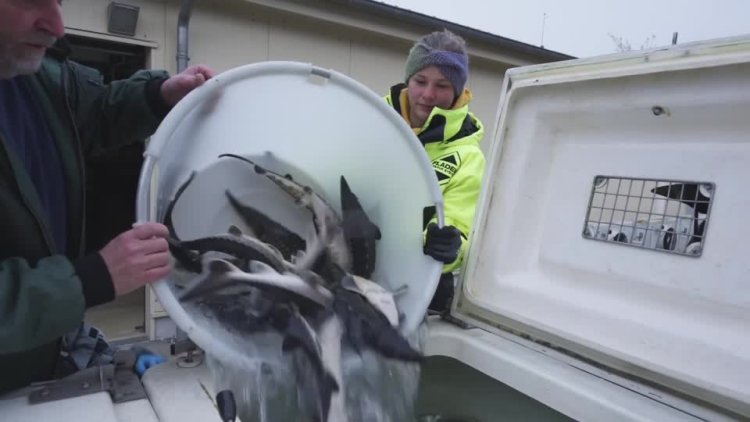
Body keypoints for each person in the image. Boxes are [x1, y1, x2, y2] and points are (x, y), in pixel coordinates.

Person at [0, 0, 214, 392]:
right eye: (30, 1)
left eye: (59, 2)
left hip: (43, 358)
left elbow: (95, 111)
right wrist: (89, 279)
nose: (58, 26)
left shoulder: (34, 78)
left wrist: (158, 95)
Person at [385, 29, 485, 314]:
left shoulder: (468, 156)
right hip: (351, 265)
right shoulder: (375, 124)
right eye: (420, 81)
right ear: (408, 81)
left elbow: (461, 234)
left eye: (442, 85)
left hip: (423, 293)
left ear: (457, 91)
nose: (428, 95)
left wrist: (452, 246)